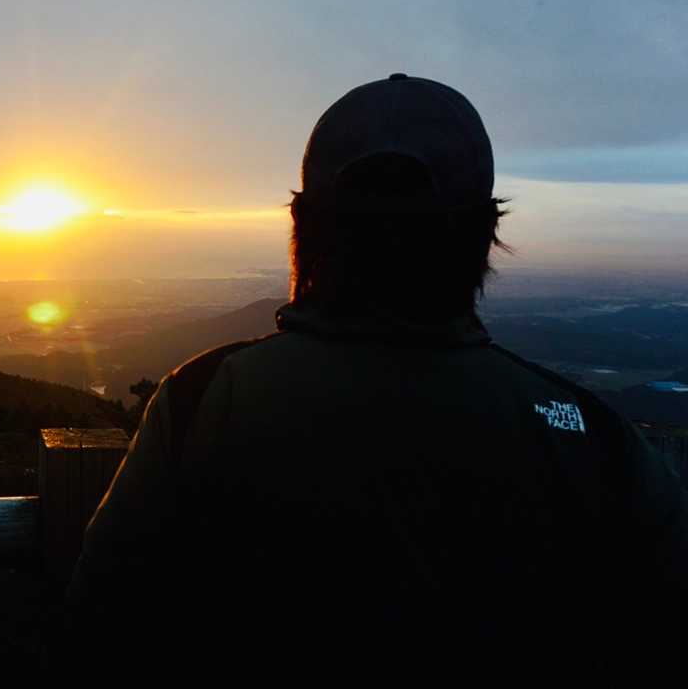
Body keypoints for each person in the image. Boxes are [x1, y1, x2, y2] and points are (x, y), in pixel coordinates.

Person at [63, 74, 688, 673]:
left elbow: (100, 629)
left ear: (304, 228)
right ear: (485, 234)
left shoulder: (202, 402)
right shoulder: (590, 439)